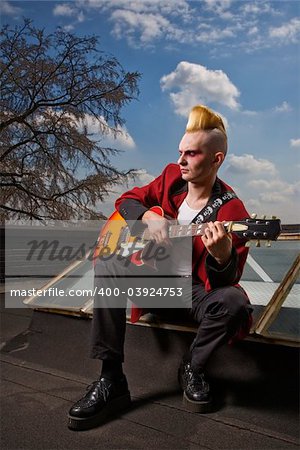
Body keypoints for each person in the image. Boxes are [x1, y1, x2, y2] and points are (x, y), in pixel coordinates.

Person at [68, 104, 252, 431]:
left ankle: (192, 368)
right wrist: (149, 216)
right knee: (108, 259)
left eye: (191, 154)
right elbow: (127, 201)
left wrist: (221, 256)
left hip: (194, 296)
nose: (181, 160)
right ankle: (111, 379)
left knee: (234, 302)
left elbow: (226, 282)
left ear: (216, 159)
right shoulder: (170, 177)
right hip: (158, 288)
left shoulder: (234, 210)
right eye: (180, 152)